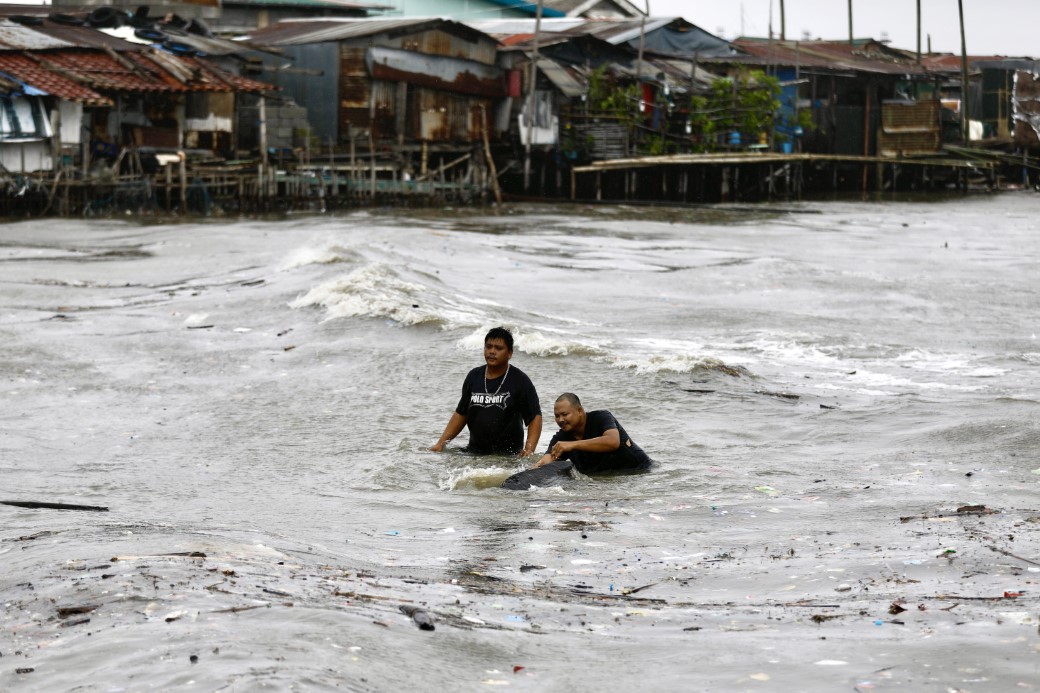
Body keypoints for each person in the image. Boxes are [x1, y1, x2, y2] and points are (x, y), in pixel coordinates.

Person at [431, 327, 542, 456]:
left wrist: (529, 450)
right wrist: (441, 443)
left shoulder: (520, 380)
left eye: (498, 348)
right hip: (474, 452)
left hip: (508, 456)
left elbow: (535, 417)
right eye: (488, 347)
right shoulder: (473, 376)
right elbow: (461, 413)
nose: (492, 352)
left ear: (510, 353)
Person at [533, 393, 652, 474]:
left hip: (641, 471)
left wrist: (572, 445)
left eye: (565, 414)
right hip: (607, 478)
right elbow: (547, 460)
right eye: (557, 416)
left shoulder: (601, 417)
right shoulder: (561, 438)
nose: (560, 420)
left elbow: (613, 442)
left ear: (580, 410)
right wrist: (534, 469)